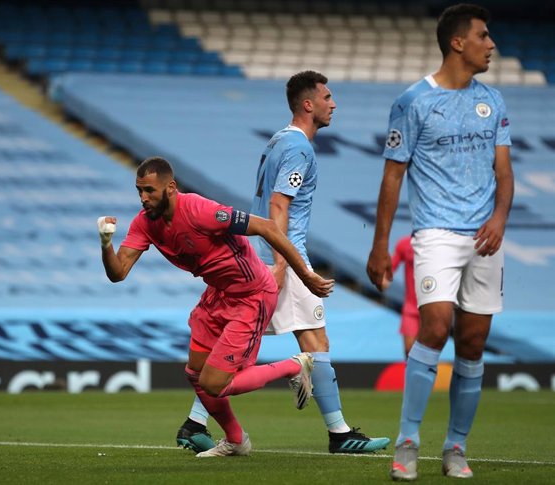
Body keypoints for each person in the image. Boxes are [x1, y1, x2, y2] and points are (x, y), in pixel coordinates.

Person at [176, 70, 390, 455]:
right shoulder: (299, 148)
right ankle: (339, 434)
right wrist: (284, 262)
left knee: (238, 350)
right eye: (327, 97)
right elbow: (279, 204)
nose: (333, 103)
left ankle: (194, 422)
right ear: (308, 104)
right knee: (314, 340)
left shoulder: (278, 140)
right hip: (280, 256)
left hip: (251, 256)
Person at [100, 156, 335, 457]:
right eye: (139, 191)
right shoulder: (144, 224)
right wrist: (106, 243)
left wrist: (305, 275)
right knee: (195, 373)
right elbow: (118, 273)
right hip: (218, 294)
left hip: (252, 295)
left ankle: (295, 365)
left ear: (170, 188)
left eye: (149, 190)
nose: (143, 198)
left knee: (214, 383)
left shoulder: (201, 211)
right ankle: (236, 440)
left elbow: (267, 227)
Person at [366, 4, 513, 481]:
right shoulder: (413, 102)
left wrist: (499, 219)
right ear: (457, 42)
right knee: (435, 326)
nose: (490, 44)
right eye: (483, 36)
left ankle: (456, 447)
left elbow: (504, 173)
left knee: (473, 342)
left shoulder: (494, 101)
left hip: (485, 238)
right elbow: (392, 179)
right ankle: (408, 442)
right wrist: (380, 245)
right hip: (434, 233)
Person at [389, 234, 420, 358]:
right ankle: (410, 376)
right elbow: (390, 268)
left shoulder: (438, 243)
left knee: (427, 352)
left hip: (431, 308)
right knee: (409, 350)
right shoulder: (404, 244)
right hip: (411, 309)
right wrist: (384, 278)